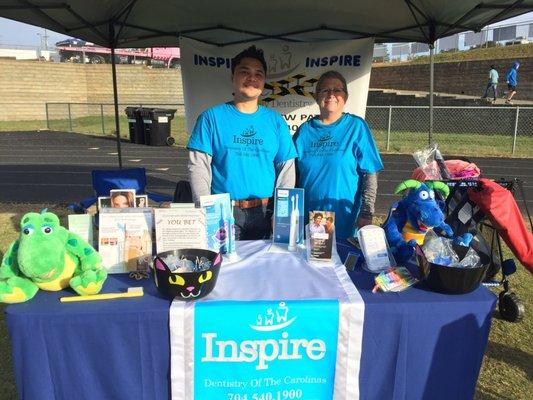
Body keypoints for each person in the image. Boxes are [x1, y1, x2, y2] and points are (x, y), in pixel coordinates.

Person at [187, 45, 297, 240]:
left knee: (265, 269)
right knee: (225, 268)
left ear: (264, 81)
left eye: (258, 74)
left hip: (266, 212)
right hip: (224, 213)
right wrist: (205, 210)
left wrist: (282, 214)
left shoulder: (276, 122)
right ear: (232, 76)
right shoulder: (211, 118)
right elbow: (199, 167)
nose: (252, 78)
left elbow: (286, 170)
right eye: (244, 72)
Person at [294, 70, 383, 240]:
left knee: (342, 263)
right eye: (325, 90)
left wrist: (367, 212)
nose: (331, 95)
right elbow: (293, 175)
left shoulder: (356, 127)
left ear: (345, 97)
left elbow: (370, 172)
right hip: (309, 216)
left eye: (337, 90)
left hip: (344, 216)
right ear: (316, 96)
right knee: (312, 262)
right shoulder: (304, 131)